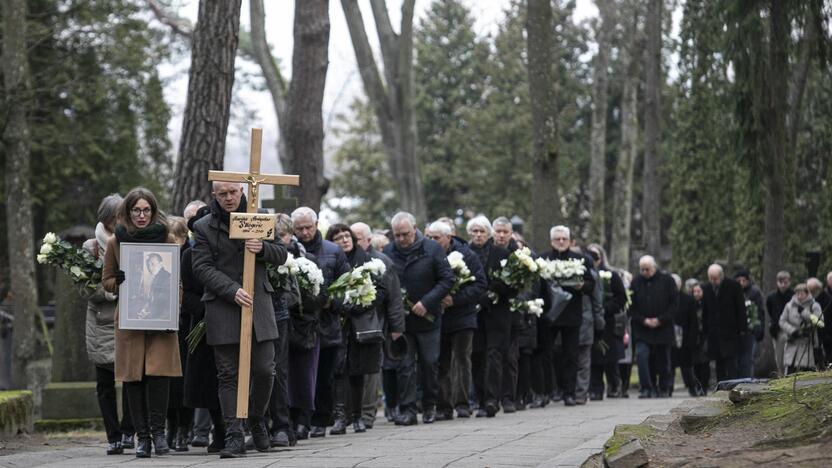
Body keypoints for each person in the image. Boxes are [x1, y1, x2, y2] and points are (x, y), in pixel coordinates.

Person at [191, 181, 287, 458]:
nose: (229, 198)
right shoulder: (204, 226)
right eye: (222, 194)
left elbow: (281, 254)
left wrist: (263, 249)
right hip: (224, 305)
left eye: (233, 192)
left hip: (258, 304)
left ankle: (256, 418)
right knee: (228, 374)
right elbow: (201, 267)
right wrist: (231, 290)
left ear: (242, 191)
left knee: (265, 370)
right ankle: (234, 433)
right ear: (214, 195)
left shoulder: (258, 219)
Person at [102, 187, 181, 458]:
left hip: (162, 320)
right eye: (136, 210)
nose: (141, 215)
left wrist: (173, 306)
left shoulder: (168, 239)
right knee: (133, 377)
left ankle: (159, 434)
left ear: (154, 211)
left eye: (146, 210)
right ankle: (142, 438)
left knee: (159, 375)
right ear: (128, 211)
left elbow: (176, 280)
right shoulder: (116, 241)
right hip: (130, 320)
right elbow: (107, 280)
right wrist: (120, 282)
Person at [383, 212, 454, 425]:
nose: (402, 239)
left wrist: (427, 302)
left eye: (405, 234)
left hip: (428, 319)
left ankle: (430, 405)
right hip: (402, 321)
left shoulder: (432, 250)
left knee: (429, 364)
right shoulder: (388, 252)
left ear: (415, 229)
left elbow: (446, 279)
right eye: (397, 235)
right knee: (404, 365)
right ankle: (408, 409)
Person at [79, 194, 134, 455]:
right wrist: (113, 288)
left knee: (134, 379)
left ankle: (128, 431)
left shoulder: (132, 239)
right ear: (106, 219)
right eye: (115, 218)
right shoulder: (91, 248)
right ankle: (112, 435)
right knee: (105, 384)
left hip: (131, 319)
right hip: (102, 322)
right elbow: (87, 289)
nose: (119, 222)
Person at [291, 207, 350, 438]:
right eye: (300, 228)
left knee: (325, 376)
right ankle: (301, 420)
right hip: (301, 325)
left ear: (316, 224)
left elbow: (346, 287)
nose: (305, 232)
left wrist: (329, 304)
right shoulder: (291, 251)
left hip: (327, 325)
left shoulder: (333, 251)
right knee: (302, 375)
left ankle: (320, 419)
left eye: (309, 227)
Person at [425, 220, 487, 420]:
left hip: (462, 317)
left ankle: (462, 404)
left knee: (461, 360)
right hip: (436, 317)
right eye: (429, 237)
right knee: (441, 363)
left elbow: (480, 285)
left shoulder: (467, 255)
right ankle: (444, 406)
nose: (432, 241)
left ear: (448, 237)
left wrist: (454, 299)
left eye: (436, 238)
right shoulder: (427, 254)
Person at [181, 202, 226, 453]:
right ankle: (217, 429)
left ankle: (233, 428)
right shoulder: (189, 255)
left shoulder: (227, 251)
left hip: (229, 317)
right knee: (207, 381)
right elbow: (185, 292)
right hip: (202, 323)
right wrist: (206, 310)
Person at [542, 226, 596, 406]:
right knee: (547, 354)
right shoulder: (544, 259)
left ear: (569, 240)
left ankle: (569, 393)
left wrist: (581, 286)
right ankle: (548, 391)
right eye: (557, 239)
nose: (561, 242)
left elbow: (591, 285)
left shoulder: (580, 260)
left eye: (564, 239)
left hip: (572, 313)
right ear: (551, 241)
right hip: (549, 313)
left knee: (571, 355)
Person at [629, 255, 676, 398]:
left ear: (654, 267)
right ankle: (647, 387)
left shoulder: (667, 280)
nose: (644, 272)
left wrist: (660, 320)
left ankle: (663, 388)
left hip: (663, 328)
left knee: (663, 360)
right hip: (642, 328)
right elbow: (631, 306)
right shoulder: (636, 282)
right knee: (642, 356)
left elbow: (673, 304)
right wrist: (643, 320)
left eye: (647, 269)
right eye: (642, 269)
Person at [165, 216, 192, 452]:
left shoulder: (189, 258)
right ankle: (169, 427)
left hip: (185, 326)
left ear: (183, 238)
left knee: (183, 381)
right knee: (168, 382)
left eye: (174, 239)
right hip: (166, 326)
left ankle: (183, 429)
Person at [587, 244, 627, 400]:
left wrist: (605, 308)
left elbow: (621, 298)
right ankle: (596, 388)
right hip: (592, 321)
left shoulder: (612, 275)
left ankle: (614, 385)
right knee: (595, 357)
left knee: (610, 357)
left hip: (608, 321)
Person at [702, 264, 747, 382]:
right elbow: (705, 311)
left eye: (715, 278)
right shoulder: (706, 288)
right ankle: (720, 385)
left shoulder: (733, 286)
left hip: (730, 331)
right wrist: (705, 331)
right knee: (718, 362)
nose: (713, 281)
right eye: (710, 278)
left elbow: (740, 309)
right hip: (714, 332)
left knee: (731, 362)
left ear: (721, 276)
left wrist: (742, 329)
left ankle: (732, 385)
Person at [779, 283, 823, 375]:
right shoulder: (789, 305)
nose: (799, 296)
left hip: (808, 345)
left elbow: (820, 323)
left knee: (806, 373)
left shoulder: (814, 305)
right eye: (797, 293)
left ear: (807, 294)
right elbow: (782, 321)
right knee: (790, 373)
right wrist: (792, 331)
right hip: (793, 343)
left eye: (801, 294)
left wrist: (805, 313)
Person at [735, 269, 765, 378]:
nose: (742, 283)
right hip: (736, 331)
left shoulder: (754, 292)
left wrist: (759, 329)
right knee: (737, 359)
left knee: (749, 358)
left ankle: (748, 380)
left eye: (744, 280)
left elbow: (760, 312)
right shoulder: (734, 291)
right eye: (739, 281)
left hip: (751, 330)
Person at [766, 271, 794, 376]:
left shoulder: (793, 296)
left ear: (789, 282)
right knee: (779, 357)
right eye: (780, 282)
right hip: (777, 331)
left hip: (790, 330)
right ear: (777, 282)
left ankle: (788, 376)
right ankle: (781, 375)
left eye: (785, 282)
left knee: (789, 356)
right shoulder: (771, 297)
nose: (783, 284)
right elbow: (770, 310)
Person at [807, 278, 831, 368]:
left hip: (826, 334)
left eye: (812, 289)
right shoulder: (809, 301)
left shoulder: (827, 299)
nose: (810, 292)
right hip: (814, 335)